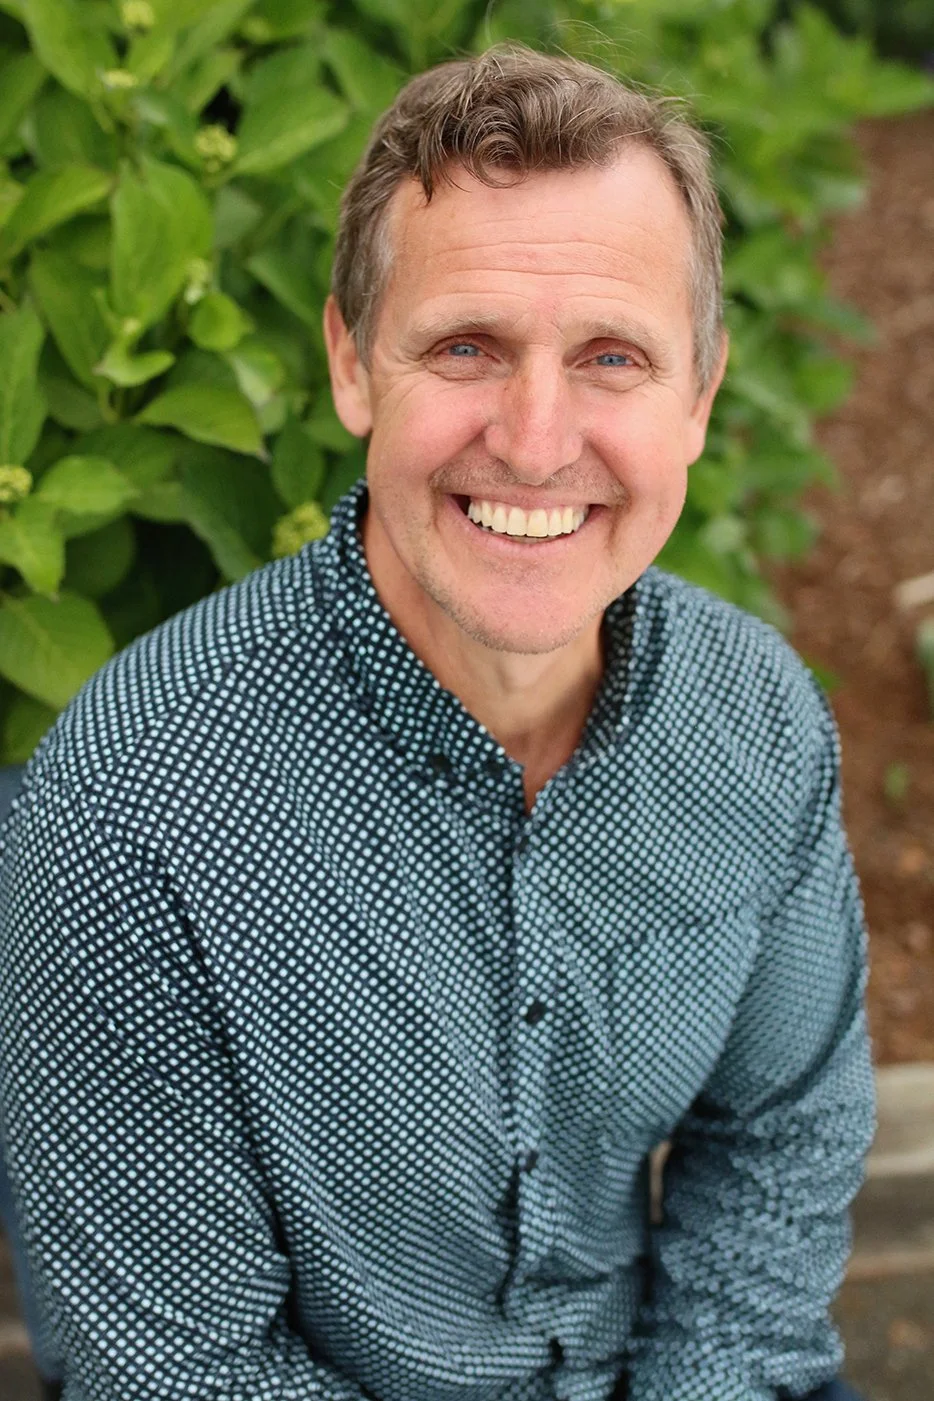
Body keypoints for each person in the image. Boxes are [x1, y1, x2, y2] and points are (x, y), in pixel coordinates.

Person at [0, 43, 874, 1401]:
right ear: (353, 365)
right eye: (465, 345)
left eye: (610, 358)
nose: (533, 441)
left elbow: (778, 1139)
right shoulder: (129, 810)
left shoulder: (754, 719)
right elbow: (183, 1366)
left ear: (696, 397)